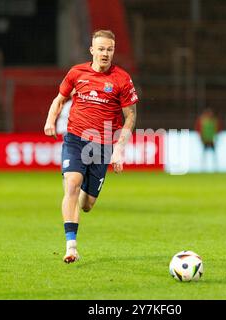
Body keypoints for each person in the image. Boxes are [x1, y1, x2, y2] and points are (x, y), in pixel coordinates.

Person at [43, 30, 138, 263]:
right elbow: (59, 99)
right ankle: (71, 246)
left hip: (103, 144)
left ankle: (86, 192)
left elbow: (131, 117)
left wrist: (118, 149)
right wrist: (49, 120)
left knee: (87, 204)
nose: (105, 53)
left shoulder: (122, 79)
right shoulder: (77, 73)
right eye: (101, 49)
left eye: (110, 49)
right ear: (92, 50)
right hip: (75, 138)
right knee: (72, 184)